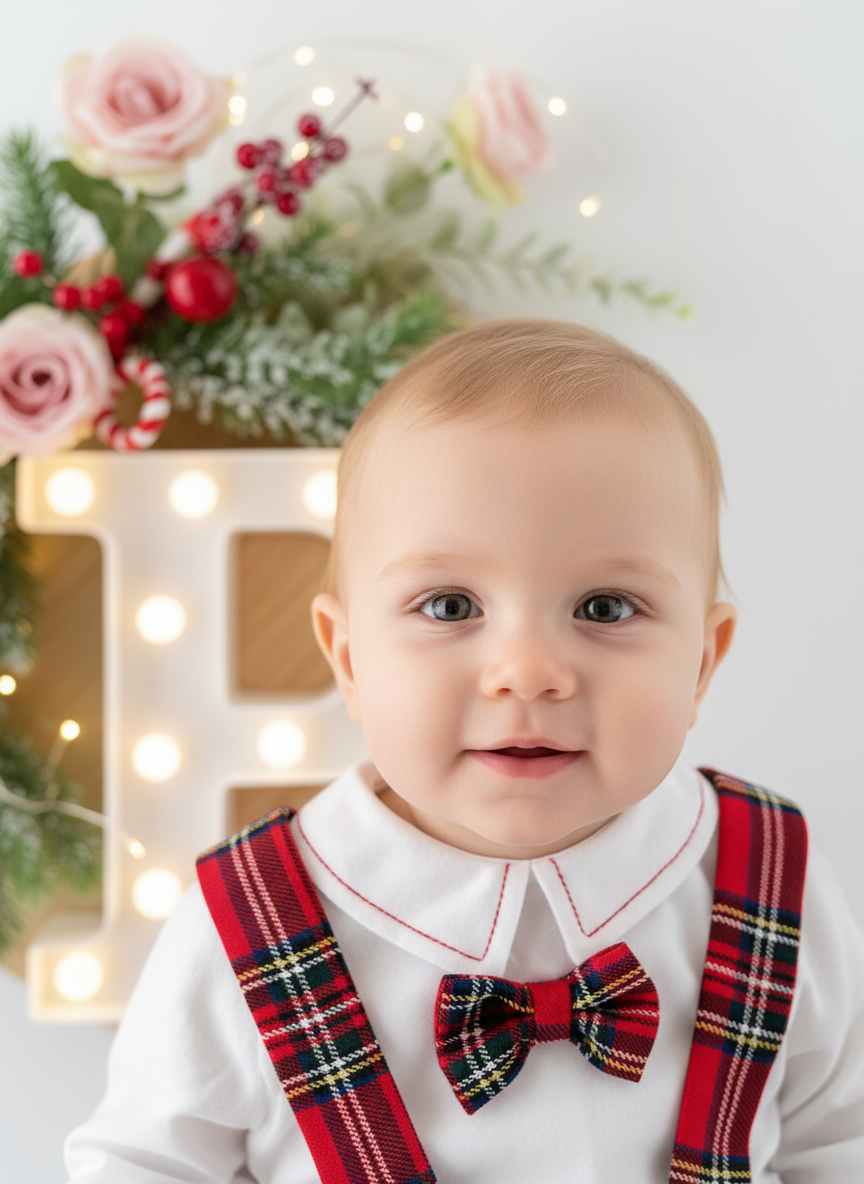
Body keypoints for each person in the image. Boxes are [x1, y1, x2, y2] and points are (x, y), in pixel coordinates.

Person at [65, 319, 864, 1183]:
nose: (527, 673)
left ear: (702, 662)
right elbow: (142, 1164)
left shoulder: (768, 881)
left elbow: (839, 1144)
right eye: (449, 606)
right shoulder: (248, 923)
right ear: (349, 659)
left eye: (604, 607)